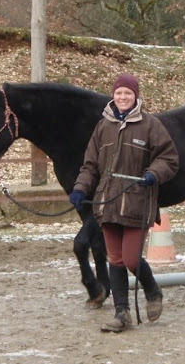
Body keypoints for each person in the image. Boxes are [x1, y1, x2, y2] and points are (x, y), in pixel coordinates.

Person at [69, 73, 179, 333]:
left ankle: (152, 290)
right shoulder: (102, 127)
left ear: (135, 96)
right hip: (107, 203)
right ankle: (122, 313)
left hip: (136, 202)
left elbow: (169, 158)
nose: (122, 97)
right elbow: (90, 166)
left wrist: (154, 173)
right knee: (115, 259)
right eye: (118, 93)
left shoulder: (150, 125)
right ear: (113, 95)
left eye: (127, 93)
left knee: (130, 259)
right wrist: (80, 188)